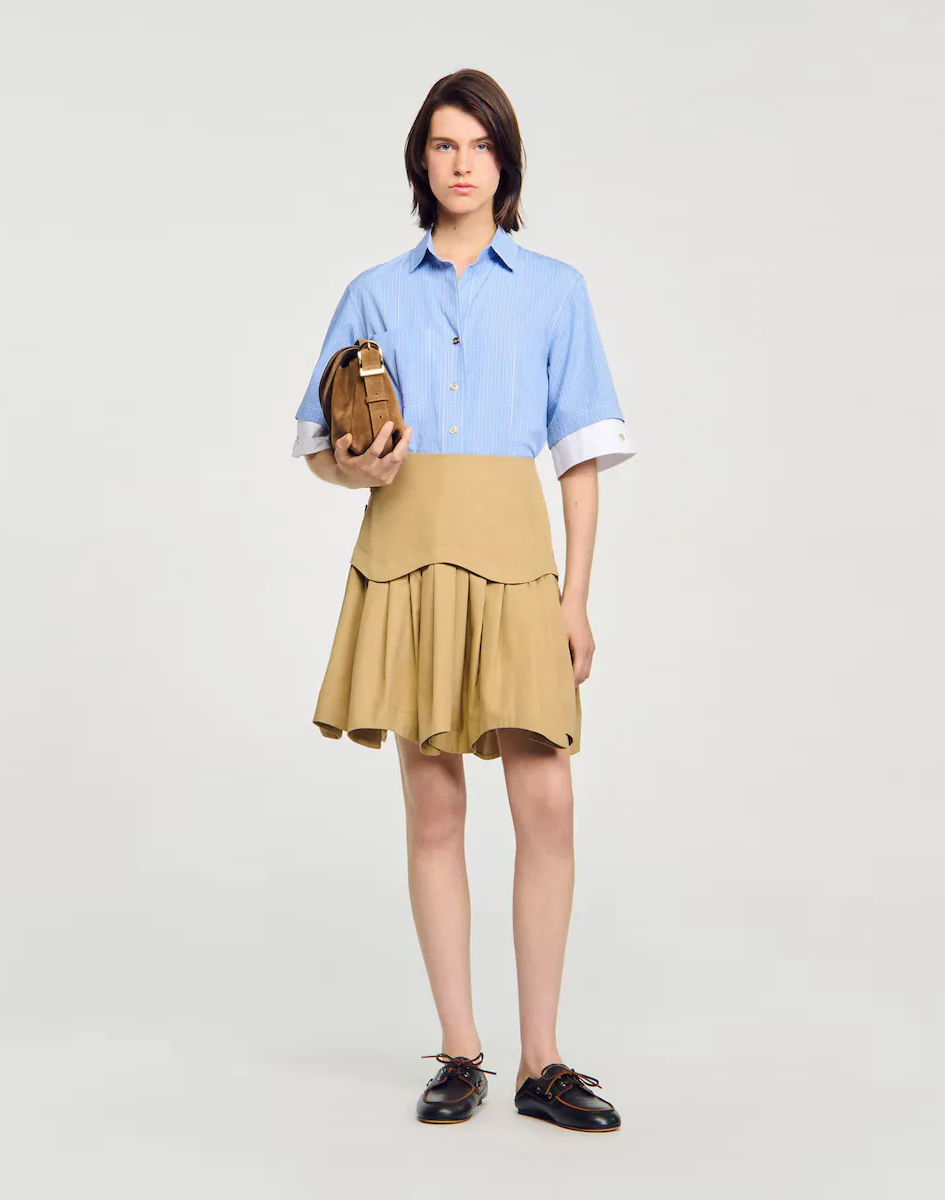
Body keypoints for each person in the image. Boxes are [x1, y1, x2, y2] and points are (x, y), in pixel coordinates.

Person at [292, 69, 635, 1132]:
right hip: (408, 558)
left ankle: (542, 1060)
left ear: (505, 162)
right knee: (434, 806)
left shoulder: (555, 290)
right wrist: (356, 466)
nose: (461, 163)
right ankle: (460, 1052)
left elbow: (579, 455)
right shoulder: (373, 292)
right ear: (421, 161)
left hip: (516, 561)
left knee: (547, 801)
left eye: (479, 145)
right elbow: (322, 450)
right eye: (443, 145)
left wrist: (575, 597)